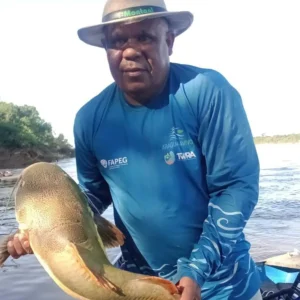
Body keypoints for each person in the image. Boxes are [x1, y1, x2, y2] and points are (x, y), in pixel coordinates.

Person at [7, 0, 262, 299]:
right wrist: (43, 229)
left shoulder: (206, 91)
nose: (130, 51)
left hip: (223, 284)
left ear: (169, 40)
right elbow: (90, 198)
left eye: (144, 37)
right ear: (106, 48)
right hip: (136, 284)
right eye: (117, 41)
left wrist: (197, 269)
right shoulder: (90, 120)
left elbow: (236, 187)